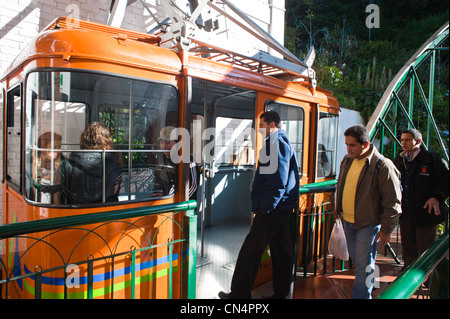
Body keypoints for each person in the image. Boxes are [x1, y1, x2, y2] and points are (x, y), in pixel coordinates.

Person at [219, 110, 299, 299]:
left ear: (272, 125)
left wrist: (265, 208)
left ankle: (239, 295)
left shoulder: (275, 143)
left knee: (250, 251)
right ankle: (281, 293)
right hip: (282, 207)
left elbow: (277, 180)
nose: (260, 129)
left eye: (262, 125)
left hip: (273, 209)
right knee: (281, 251)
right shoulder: (282, 141)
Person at [335, 124, 402, 299]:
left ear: (365, 144)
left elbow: (393, 201)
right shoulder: (347, 160)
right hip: (347, 221)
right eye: (347, 144)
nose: (348, 149)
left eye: (352, 145)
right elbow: (342, 186)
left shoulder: (382, 165)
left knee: (364, 266)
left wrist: (386, 230)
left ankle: (363, 297)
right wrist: (338, 209)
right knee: (360, 263)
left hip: (368, 224)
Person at [393, 128, 449, 270]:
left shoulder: (432, 160)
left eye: (407, 140)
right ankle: (407, 283)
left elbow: (446, 180)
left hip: (425, 213)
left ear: (418, 141)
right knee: (408, 248)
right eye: (402, 140)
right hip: (405, 213)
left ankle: (430, 281)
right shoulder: (399, 159)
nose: (403, 143)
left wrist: (436, 197)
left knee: (427, 248)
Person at [61, 122, 122, 204]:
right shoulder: (114, 162)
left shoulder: (68, 164)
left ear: (84, 139)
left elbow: (62, 193)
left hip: (77, 212)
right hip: (107, 211)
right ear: (106, 140)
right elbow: (114, 192)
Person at [153, 126, 200, 199]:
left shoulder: (188, 161)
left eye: (168, 142)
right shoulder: (162, 161)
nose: (164, 146)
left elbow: (193, 187)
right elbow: (158, 183)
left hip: (183, 205)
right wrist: (157, 193)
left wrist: (175, 200)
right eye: (162, 142)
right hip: (164, 203)